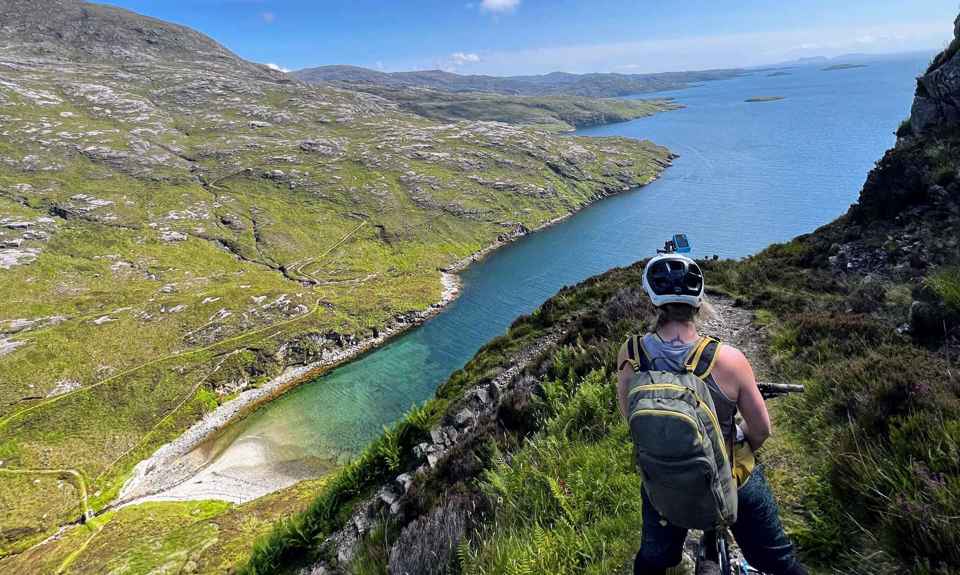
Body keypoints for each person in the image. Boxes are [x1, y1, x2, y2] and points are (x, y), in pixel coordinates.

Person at [617, 254, 807, 575]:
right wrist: (739, 437)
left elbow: (629, 418)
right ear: (699, 300)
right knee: (779, 562)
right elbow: (761, 430)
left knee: (651, 561)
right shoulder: (730, 360)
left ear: (652, 299)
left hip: (664, 482)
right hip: (729, 480)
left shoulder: (630, 353)